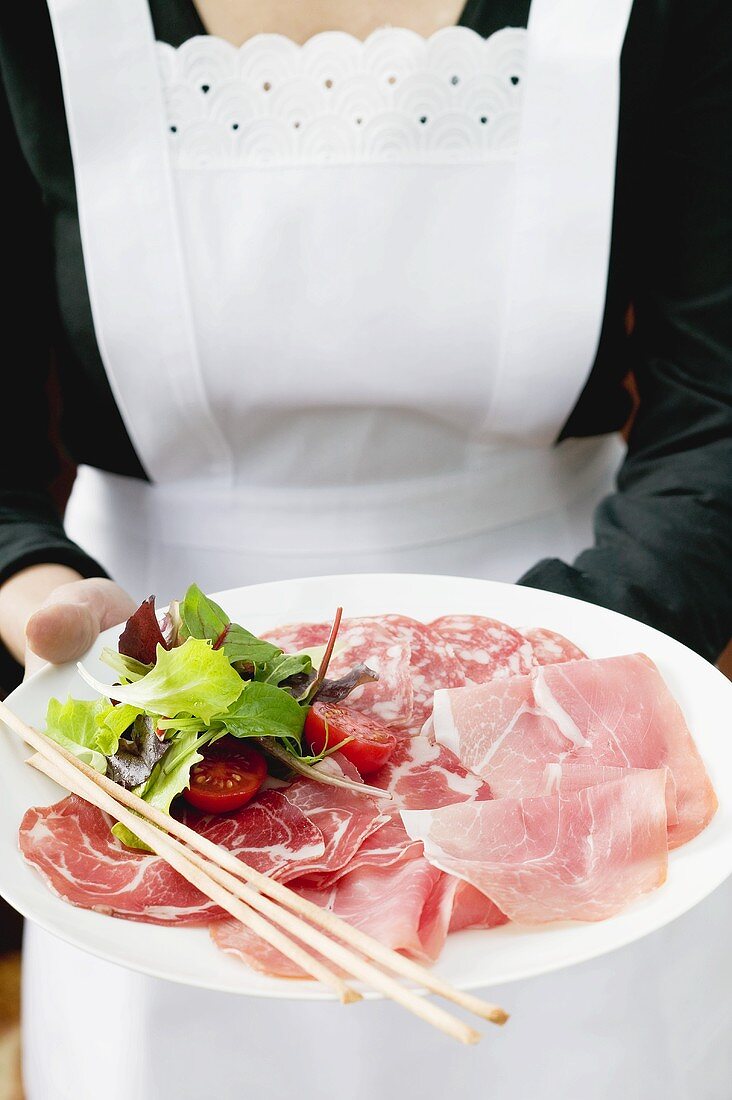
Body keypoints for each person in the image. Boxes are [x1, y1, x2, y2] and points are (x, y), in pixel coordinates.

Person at [1, 1, 730, 1097]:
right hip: (161, 716)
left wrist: (574, 662)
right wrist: (33, 584)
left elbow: (715, 405)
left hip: (570, 682)